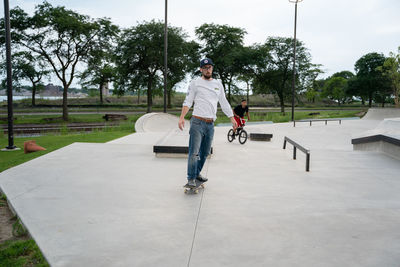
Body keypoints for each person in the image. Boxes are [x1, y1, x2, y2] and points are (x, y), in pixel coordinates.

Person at [178, 58, 237, 188]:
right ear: (201, 69)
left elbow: (224, 102)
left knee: (205, 152)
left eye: (209, 67)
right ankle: (191, 178)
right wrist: (182, 117)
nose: (207, 69)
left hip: (210, 124)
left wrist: (232, 118)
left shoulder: (218, 84)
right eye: (205, 68)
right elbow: (188, 101)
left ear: (212, 69)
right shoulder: (195, 83)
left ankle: (197, 173)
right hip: (197, 122)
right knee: (194, 152)